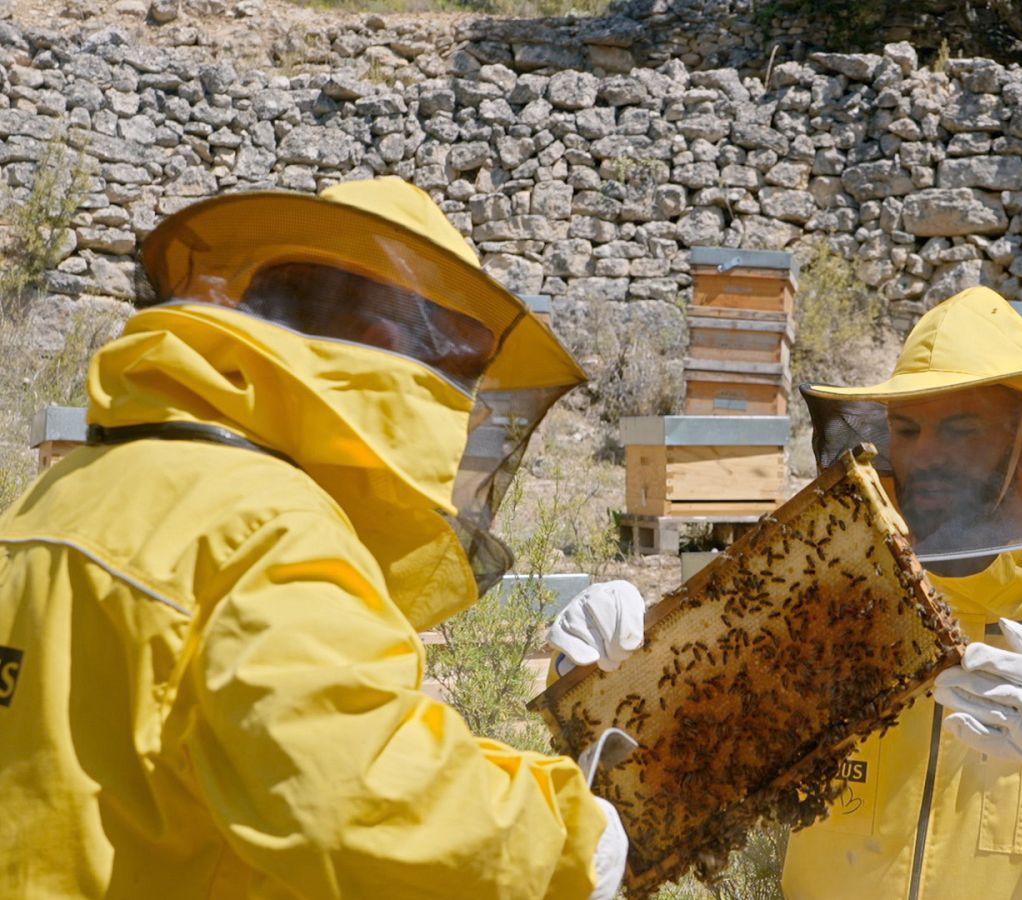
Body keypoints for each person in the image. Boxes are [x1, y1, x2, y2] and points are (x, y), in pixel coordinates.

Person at [0, 177, 627, 899]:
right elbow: (358, 798)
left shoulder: (59, 496)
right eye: (455, 374)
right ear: (382, 349)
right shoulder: (267, 530)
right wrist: (571, 840)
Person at [548, 286, 1022, 899]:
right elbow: (683, 752)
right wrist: (607, 673)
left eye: (961, 429)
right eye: (909, 429)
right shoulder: (836, 593)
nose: (927, 455)